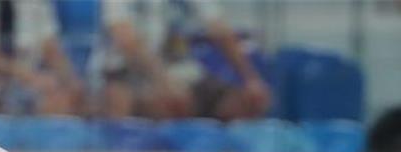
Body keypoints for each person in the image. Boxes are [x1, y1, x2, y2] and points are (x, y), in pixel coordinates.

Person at [96, 0, 271, 120]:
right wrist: (164, 82)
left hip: (184, 73)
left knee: (246, 103)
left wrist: (251, 79)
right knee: (168, 102)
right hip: (129, 72)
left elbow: (220, 30)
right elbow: (126, 40)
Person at [0, 0, 87, 115]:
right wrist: (24, 75)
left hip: (26, 85)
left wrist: (71, 81)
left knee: (60, 100)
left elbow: (50, 47)